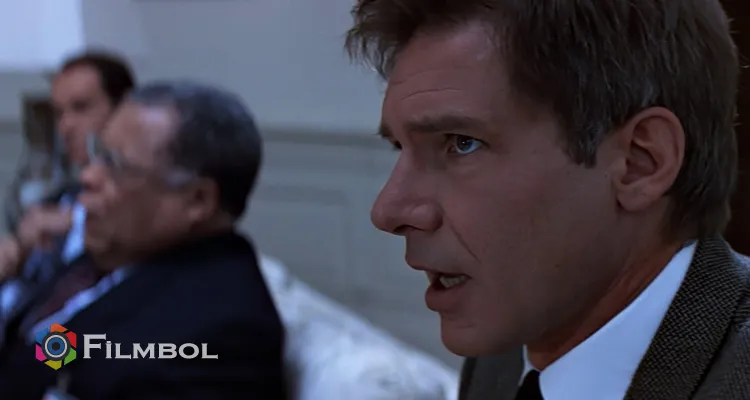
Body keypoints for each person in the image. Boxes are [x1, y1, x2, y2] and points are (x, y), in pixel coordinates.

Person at [346, 1, 748, 399]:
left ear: (640, 162)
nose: (387, 210)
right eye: (399, 147)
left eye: (461, 143)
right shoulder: (510, 345)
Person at [0, 81, 285, 399]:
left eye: (115, 165)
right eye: (98, 154)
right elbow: (55, 350)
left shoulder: (219, 336)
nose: (88, 176)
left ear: (197, 200)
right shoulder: (124, 253)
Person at [0, 51, 136, 321]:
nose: (66, 126)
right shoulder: (55, 202)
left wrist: (78, 219)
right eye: (59, 113)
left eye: (81, 108)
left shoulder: (143, 211)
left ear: (125, 109)